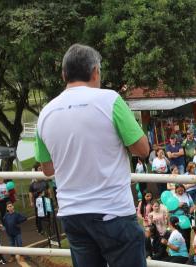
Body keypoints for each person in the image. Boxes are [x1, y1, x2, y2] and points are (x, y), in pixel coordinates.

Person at [34, 44, 149, 267]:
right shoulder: (110, 100)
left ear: (64, 74)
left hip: (73, 216)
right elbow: (143, 150)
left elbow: (47, 169)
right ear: (95, 71)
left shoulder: (45, 113)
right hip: (113, 212)